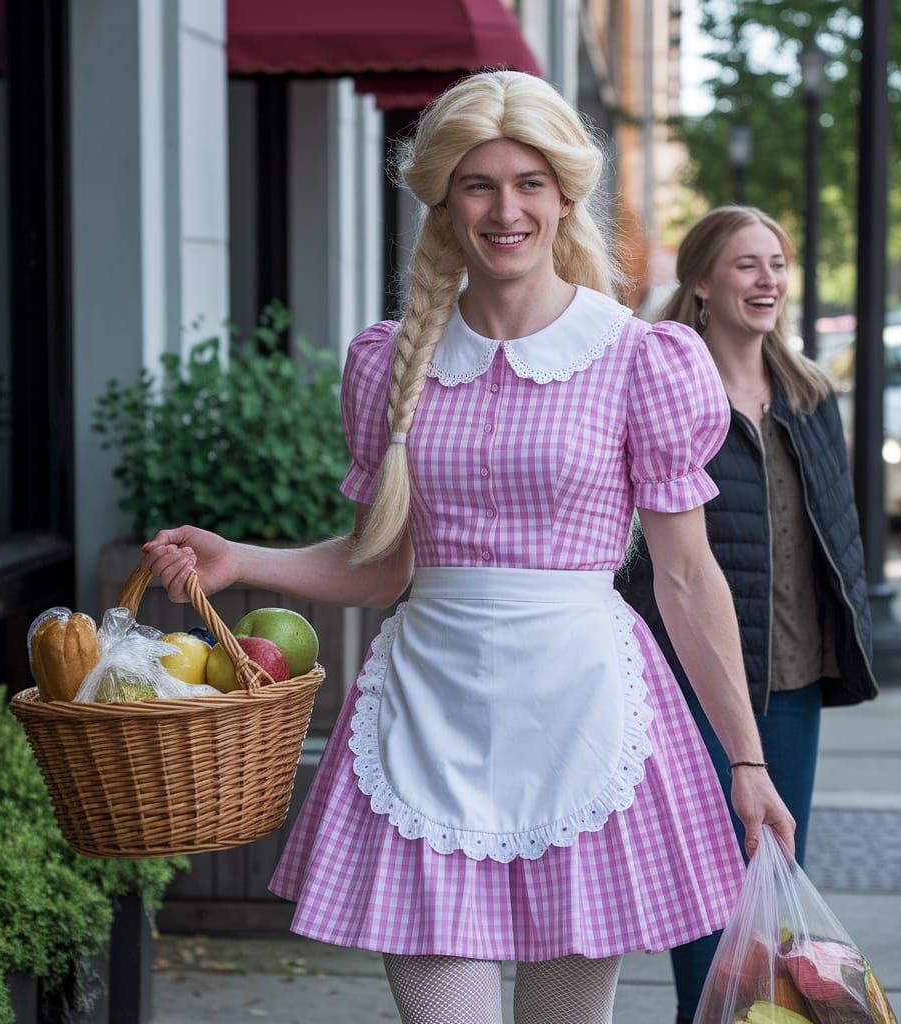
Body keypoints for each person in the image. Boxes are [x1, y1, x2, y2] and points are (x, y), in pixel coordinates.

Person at [141, 75, 793, 1024]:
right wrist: (243, 561)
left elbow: (688, 577)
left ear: (564, 195)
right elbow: (383, 566)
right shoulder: (390, 360)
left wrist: (747, 758)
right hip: (427, 714)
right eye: (478, 185)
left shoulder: (638, 358)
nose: (505, 209)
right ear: (444, 200)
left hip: (586, 715)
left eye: (529, 182)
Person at [618, 205, 879, 1023]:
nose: (768, 280)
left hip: (795, 675)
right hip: (692, 677)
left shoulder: (808, 393)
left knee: (772, 868)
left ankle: (757, 1014)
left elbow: (836, 529)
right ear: (701, 280)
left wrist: (850, 639)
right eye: (746, 265)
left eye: (778, 263)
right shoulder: (665, 388)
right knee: (702, 883)